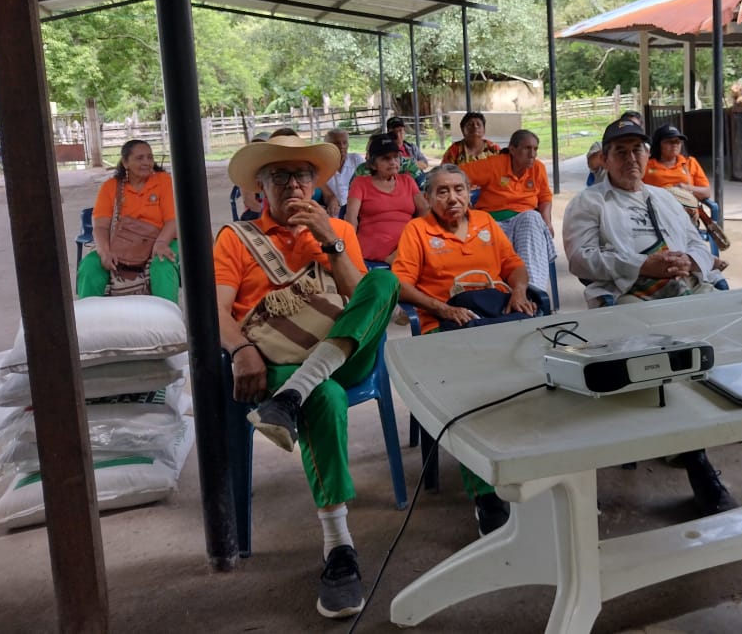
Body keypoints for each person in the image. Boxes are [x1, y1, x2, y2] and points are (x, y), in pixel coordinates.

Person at [215, 134, 400, 619]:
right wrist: (240, 349)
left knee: (385, 281)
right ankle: (339, 547)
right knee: (327, 398)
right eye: (280, 176)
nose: (294, 185)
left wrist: (331, 241)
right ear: (260, 188)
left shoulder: (336, 227)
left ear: (316, 183)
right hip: (275, 357)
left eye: (302, 176)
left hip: (344, 350)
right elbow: (214, 311)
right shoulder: (234, 239)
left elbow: (362, 299)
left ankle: (294, 395)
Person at [561, 117, 734, 516]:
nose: (631, 158)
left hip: (685, 289)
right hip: (626, 297)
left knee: (729, 331)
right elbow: (580, 260)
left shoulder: (666, 198)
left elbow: (698, 244)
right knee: (667, 349)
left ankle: (691, 431)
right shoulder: (589, 203)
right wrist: (643, 266)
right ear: (604, 159)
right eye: (620, 151)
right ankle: (697, 461)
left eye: (637, 149)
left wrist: (690, 261)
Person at [392, 163, 537, 535]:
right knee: (471, 396)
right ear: (428, 198)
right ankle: (485, 494)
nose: (452, 198)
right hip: (443, 328)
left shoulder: (487, 223)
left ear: (469, 191)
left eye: (458, 189)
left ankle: (535, 467)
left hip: (493, 319)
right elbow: (400, 284)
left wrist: (518, 291)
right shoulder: (418, 231)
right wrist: (443, 308)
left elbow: (514, 265)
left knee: (538, 377)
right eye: (441, 191)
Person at [76, 139, 179, 303]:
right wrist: (104, 252)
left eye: (150, 157)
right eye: (140, 158)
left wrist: (160, 243)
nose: (146, 162)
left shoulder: (163, 181)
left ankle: (167, 322)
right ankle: (89, 320)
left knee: (162, 264)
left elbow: (173, 220)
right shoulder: (110, 187)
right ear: (125, 162)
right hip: (122, 242)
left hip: (162, 238)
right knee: (90, 265)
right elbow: (101, 226)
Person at [457, 129, 556, 293]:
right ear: (512, 149)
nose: (532, 154)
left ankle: (532, 292)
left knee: (533, 218)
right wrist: (466, 207)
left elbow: (545, 196)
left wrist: (547, 221)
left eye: (535, 149)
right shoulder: (494, 164)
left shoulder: (538, 168)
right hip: (492, 221)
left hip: (524, 221)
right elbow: (458, 175)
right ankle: (499, 293)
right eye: (527, 148)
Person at [344, 133, 427, 265]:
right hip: (374, 249)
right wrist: (349, 248)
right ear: (372, 164)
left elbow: (425, 210)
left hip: (408, 245)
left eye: (396, 157)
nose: (393, 162)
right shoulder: (360, 183)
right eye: (386, 158)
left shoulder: (408, 180)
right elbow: (351, 218)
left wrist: (413, 236)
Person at [644, 124, 711, 202]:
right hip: (659, 208)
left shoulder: (690, 162)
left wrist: (686, 188)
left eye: (677, 141)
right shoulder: (646, 164)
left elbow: (706, 192)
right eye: (669, 142)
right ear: (658, 144)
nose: (674, 145)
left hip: (687, 210)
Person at [587, 109, 641, 184]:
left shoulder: (644, 148)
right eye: (627, 125)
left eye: (635, 127)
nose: (631, 159)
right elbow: (592, 163)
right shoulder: (599, 146)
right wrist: (612, 148)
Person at [323, 128, 365, 219]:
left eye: (344, 143)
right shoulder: (322, 164)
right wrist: (331, 198)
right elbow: (321, 185)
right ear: (327, 146)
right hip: (334, 211)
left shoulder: (356, 160)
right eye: (337, 143)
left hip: (357, 208)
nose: (342, 146)